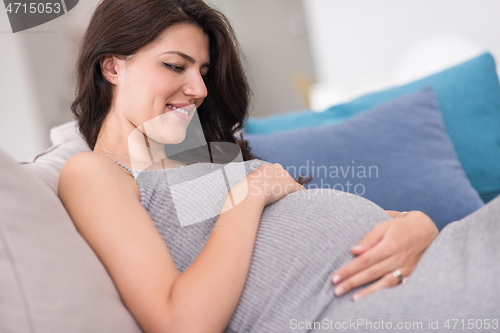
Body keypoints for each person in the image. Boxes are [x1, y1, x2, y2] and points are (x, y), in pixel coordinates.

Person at [58, 0, 438, 332]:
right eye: (176, 66)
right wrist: (248, 196)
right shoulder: (92, 172)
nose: (200, 90)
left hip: (422, 271)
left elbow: (298, 222)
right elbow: (181, 324)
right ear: (112, 67)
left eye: (203, 72)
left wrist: (418, 226)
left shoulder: (197, 157)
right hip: (374, 309)